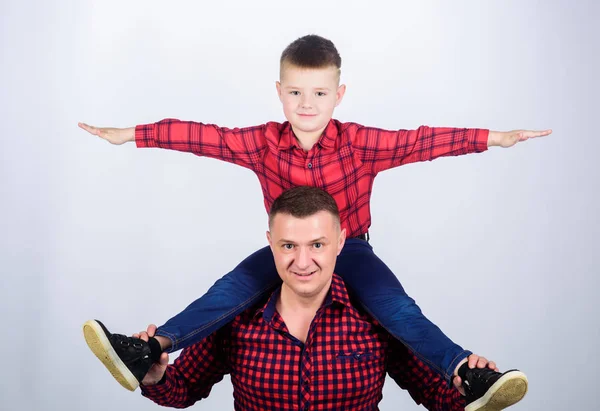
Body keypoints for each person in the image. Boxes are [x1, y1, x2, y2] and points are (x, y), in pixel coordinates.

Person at [80, 34, 547, 408]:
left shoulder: (359, 143)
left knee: (397, 309)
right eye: (297, 93)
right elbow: (202, 138)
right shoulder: (261, 142)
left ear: (338, 94)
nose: (307, 104)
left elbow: (420, 142)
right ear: (279, 93)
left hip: (351, 248)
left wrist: (496, 138)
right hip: (285, 251)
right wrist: (129, 135)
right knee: (226, 293)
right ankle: (148, 349)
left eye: (320, 93)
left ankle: (465, 372)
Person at [96, 187, 519, 411]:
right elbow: (183, 389)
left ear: (340, 242)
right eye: (288, 246)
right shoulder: (237, 319)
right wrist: (155, 378)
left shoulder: (374, 317)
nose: (302, 261)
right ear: (269, 244)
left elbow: (437, 394)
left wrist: (468, 389)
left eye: (317, 245)